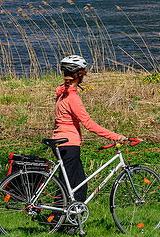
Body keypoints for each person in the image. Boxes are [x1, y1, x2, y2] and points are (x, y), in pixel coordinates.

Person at [53, 54, 131, 201]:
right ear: (79, 74)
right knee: (66, 186)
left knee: (79, 185)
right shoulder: (72, 98)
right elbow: (89, 124)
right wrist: (116, 136)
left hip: (60, 142)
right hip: (69, 144)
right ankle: (57, 219)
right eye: (83, 72)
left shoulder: (62, 93)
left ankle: (73, 220)